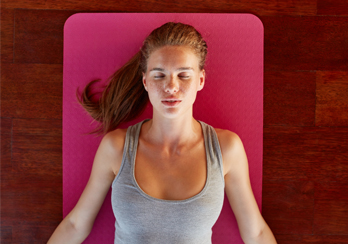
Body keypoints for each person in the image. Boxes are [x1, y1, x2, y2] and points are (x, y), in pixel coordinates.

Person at [48, 22, 276, 244]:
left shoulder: (226, 148)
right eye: (159, 76)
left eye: (183, 75)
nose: (171, 87)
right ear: (146, 81)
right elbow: (76, 225)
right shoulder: (116, 147)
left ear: (201, 80)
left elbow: (255, 233)